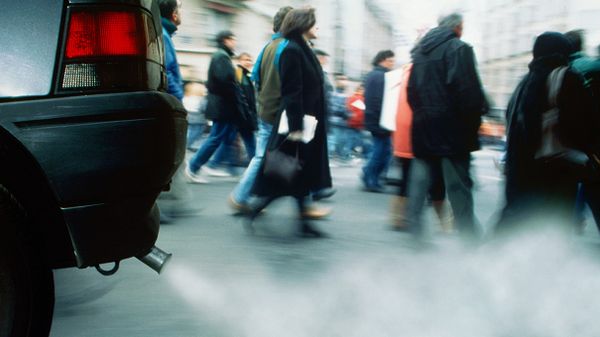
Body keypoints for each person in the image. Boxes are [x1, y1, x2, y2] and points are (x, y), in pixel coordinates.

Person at [228, 7, 330, 217]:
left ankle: (300, 202)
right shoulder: (289, 47)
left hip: (268, 110)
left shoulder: (268, 47)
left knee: (274, 158)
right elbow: (291, 86)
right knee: (278, 160)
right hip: (281, 115)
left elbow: (255, 76)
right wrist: (291, 117)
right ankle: (245, 198)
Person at [495, 32, 599, 235]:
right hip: (556, 169)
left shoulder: (523, 83)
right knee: (554, 226)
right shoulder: (567, 77)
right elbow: (584, 122)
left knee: (520, 226)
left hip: (521, 170)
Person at [405, 13, 488, 239]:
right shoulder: (459, 48)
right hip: (452, 127)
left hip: (423, 125)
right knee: (458, 185)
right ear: (459, 27)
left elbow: (411, 92)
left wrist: (422, 113)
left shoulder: (420, 52)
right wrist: (472, 124)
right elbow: (468, 92)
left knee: (420, 179)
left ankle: (414, 228)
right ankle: (469, 236)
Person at [391, 63, 453, 232]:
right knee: (436, 180)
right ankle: (445, 223)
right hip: (421, 133)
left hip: (402, 132)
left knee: (405, 178)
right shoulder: (428, 70)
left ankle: (398, 218)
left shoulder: (403, 72)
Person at [185, 30, 253, 183]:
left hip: (223, 106)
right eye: (232, 40)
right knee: (215, 138)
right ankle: (193, 166)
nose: (235, 43)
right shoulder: (221, 57)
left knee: (223, 137)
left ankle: (211, 165)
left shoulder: (222, 56)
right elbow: (225, 82)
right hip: (223, 107)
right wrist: (236, 97)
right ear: (225, 40)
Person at [564, 29, 600, 233]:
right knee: (590, 179)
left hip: (569, 138)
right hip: (592, 137)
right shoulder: (592, 65)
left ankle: (573, 219)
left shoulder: (563, 69)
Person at [361, 50, 395, 193]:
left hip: (376, 119)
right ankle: (370, 178)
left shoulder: (374, 74)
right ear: (382, 60)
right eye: (390, 61)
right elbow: (378, 101)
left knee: (383, 151)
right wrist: (384, 120)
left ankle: (370, 176)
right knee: (381, 151)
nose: (392, 63)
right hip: (379, 120)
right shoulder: (380, 76)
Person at [346, 84, 371, 159]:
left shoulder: (351, 98)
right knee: (357, 139)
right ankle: (352, 153)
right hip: (359, 123)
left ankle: (349, 152)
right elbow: (363, 112)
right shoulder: (363, 99)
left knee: (352, 138)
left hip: (352, 122)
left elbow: (348, 109)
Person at [183, 82, 207, 151]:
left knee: (189, 132)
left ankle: (187, 144)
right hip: (199, 120)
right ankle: (188, 145)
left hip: (189, 118)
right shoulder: (201, 99)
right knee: (196, 133)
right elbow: (204, 108)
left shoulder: (186, 97)